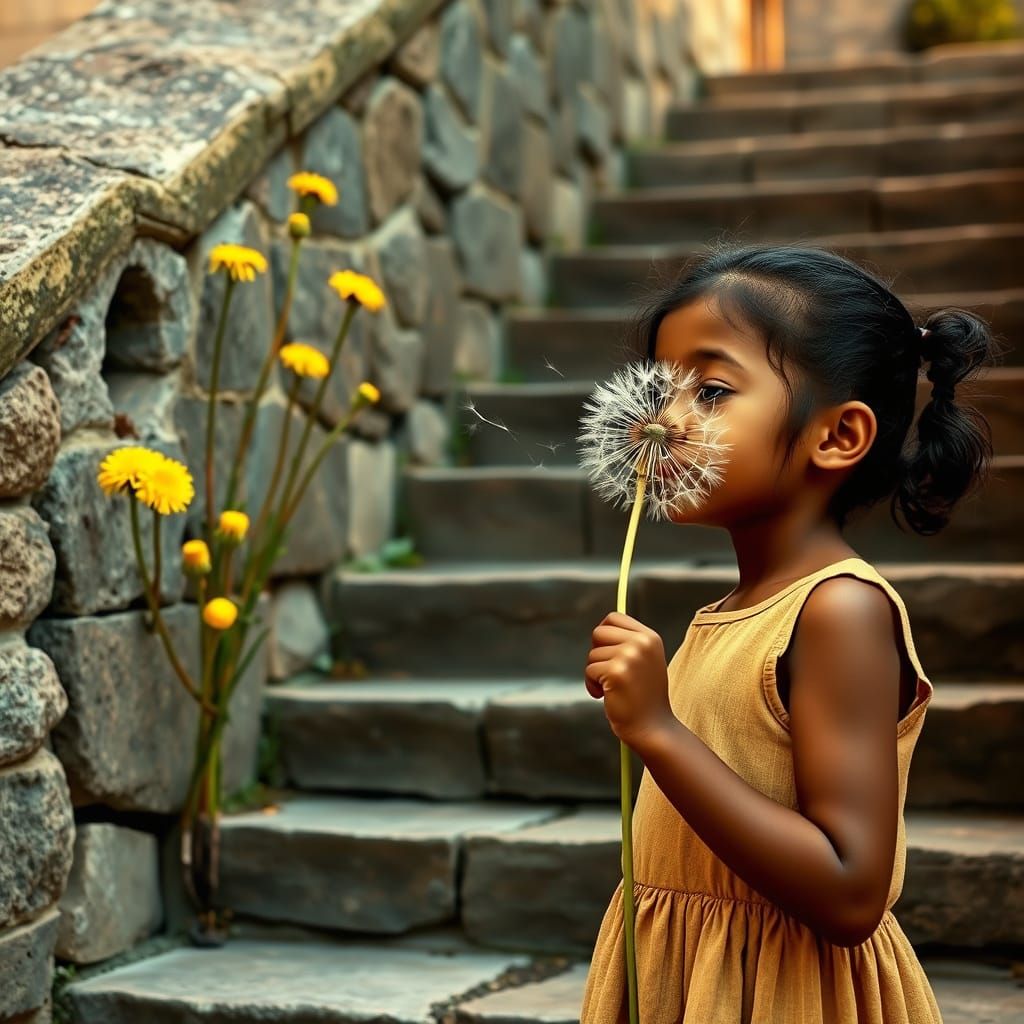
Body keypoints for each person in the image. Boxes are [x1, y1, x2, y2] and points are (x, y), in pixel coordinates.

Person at [580, 242, 1004, 1023]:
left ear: (838, 436)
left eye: (711, 390)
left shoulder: (840, 611)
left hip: (785, 993)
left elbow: (849, 893)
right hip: (694, 981)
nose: (661, 420)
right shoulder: (732, 610)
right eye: (660, 387)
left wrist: (659, 732)